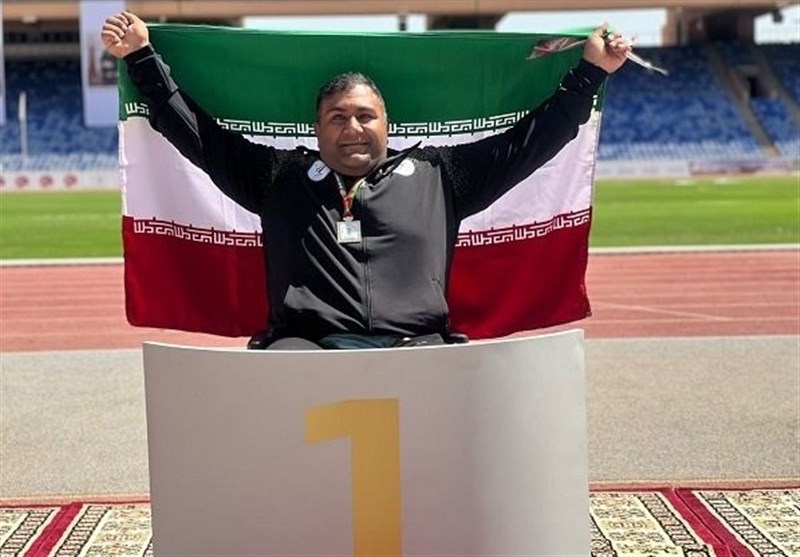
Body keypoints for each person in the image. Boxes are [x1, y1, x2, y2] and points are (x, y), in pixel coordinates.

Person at [102, 12, 631, 350]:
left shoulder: (439, 175)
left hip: (417, 347)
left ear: (387, 123)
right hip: (306, 350)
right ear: (316, 129)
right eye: (337, 118)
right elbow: (198, 135)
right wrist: (141, 58)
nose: (352, 128)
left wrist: (592, 71)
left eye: (364, 116)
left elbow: (531, 142)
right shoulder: (279, 178)